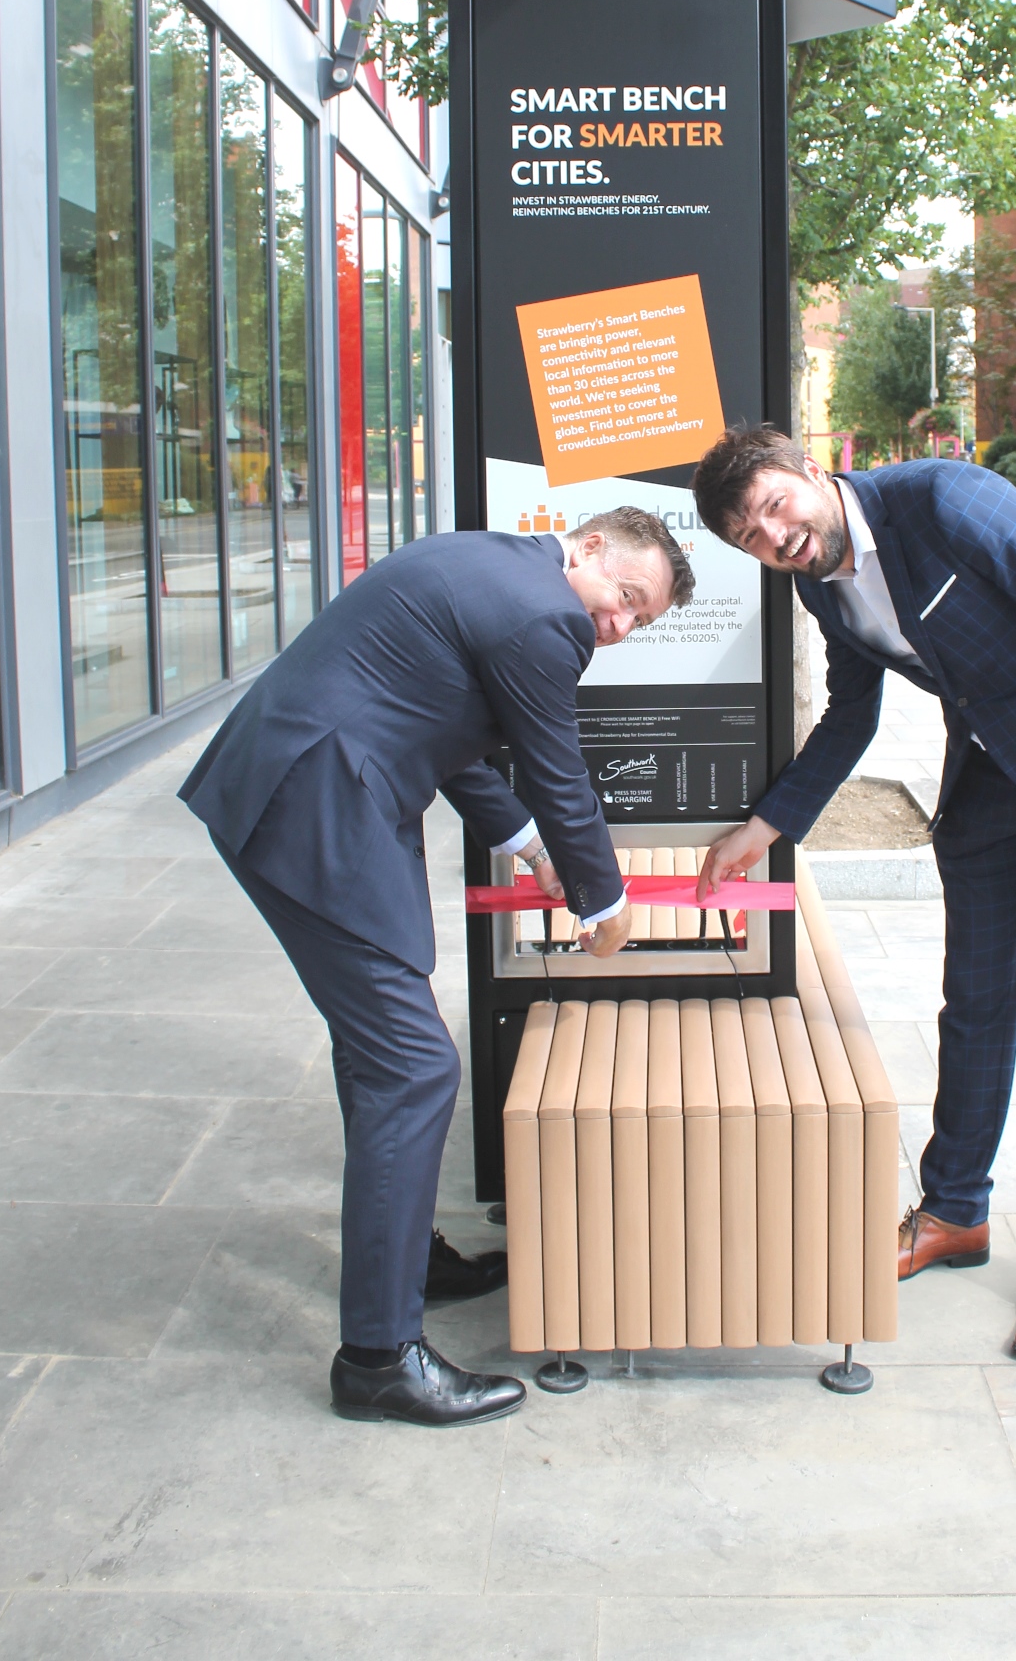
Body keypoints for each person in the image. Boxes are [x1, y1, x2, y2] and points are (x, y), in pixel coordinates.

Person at [181, 508, 693, 1424]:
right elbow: (557, 766)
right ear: (587, 550)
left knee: (381, 1052)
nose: (616, 628)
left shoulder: (489, 569)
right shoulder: (547, 617)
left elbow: (448, 731)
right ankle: (379, 1356)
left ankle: (408, 1254)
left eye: (639, 622)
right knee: (414, 1067)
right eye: (625, 599)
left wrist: (532, 848)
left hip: (304, 781)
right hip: (316, 802)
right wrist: (604, 902)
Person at [691, 427, 1016, 1359]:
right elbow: (852, 710)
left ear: (808, 468)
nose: (775, 536)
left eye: (773, 506)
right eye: (750, 537)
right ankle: (956, 1208)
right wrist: (767, 826)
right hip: (991, 785)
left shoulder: (948, 500)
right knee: (976, 1005)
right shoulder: (816, 582)